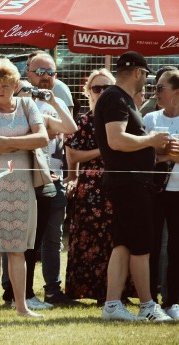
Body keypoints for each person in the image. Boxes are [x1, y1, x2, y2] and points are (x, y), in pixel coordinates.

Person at [95, 51, 173, 322]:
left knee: (124, 244)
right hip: (128, 184)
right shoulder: (116, 98)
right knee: (141, 246)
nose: (148, 82)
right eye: (147, 75)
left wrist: (159, 154)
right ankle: (147, 306)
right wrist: (151, 139)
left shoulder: (120, 99)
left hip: (128, 181)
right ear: (138, 72)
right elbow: (116, 140)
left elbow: (127, 146)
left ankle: (112, 304)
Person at [0, 58, 48, 318]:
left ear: (16, 85)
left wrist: (8, 141)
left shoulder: (28, 105)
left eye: (4, 85)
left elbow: (44, 137)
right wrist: (24, 142)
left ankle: (21, 307)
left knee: (18, 249)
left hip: (21, 183)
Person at [6, 53, 78, 309]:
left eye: (51, 72)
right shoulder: (16, 100)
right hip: (20, 176)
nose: (46, 77)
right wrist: (25, 94)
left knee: (44, 239)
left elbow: (70, 129)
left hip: (48, 177)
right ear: (27, 73)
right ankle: (15, 292)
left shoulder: (49, 104)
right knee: (18, 238)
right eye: (40, 72)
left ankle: (36, 292)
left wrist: (54, 100)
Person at [64, 68, 117, 304]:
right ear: (89, 92)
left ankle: (113, 292)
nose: (102, 92)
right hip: (90, 188)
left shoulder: (120, 118)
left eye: (107, 88)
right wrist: (103, 150)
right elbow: (73, 155)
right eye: (97, 88)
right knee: (87, 239)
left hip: (117, 186)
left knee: (114, 240)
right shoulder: (84, 122)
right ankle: (87, 290)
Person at [142, 68, 179, 319]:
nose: (155, 92)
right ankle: (151, 301)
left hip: (178, 192)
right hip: (154, 191)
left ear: (176, 93)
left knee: (177, 247)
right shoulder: (150, 118)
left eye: (160, 88)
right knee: (152, 245)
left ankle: (173, 301)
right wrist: (164, 154)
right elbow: (142, 155)